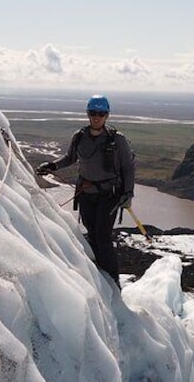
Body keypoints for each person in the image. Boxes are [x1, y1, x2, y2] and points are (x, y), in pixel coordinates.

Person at [36, 94, 135, 286]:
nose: (96, 117)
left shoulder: (117, 140)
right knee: (92, 234)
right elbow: (70, 158)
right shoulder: (79, 137)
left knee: (103, 237)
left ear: (107, 115)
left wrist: (128, 193)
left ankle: (113, 283)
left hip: (109, 195)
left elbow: (128, 167)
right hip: (86, 194)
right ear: (88, 114)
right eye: (93, 113)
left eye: (101, 113)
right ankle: (100, 276)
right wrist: (52, 166)